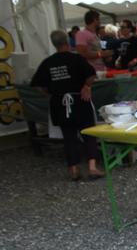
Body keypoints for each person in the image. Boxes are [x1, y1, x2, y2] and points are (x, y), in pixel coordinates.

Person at [31, 30, 104, 181]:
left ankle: (74, 170)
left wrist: (50, 94)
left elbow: (37, 84)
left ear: (54, 44)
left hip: (59, 104)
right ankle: (92, 167)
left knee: (69, 137)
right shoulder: (77, 59)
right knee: (89, 134)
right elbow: (91, 75)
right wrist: (86, 87)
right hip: (79, 100)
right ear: (67, 42)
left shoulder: (47, 62)